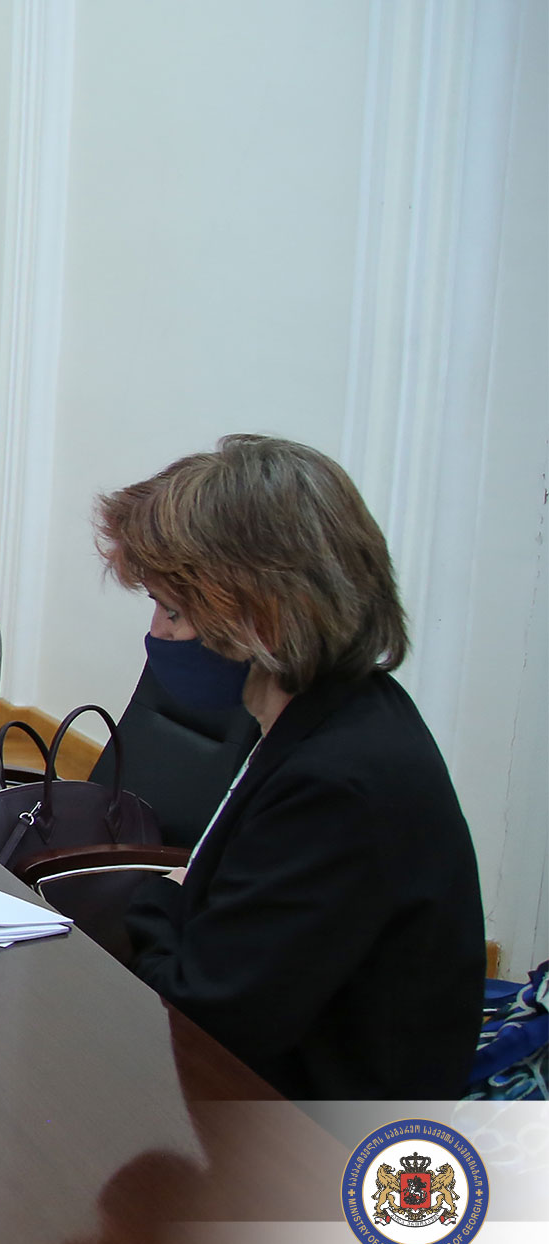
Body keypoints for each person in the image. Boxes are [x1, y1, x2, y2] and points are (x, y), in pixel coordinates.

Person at [98, 435, 482, 1100]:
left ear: (262, 614)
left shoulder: (339, 782)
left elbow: (204, 1014)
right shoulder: (333, 712)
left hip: (324, 1142)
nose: (157, 634)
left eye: (175, 611)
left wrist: (160, 897)